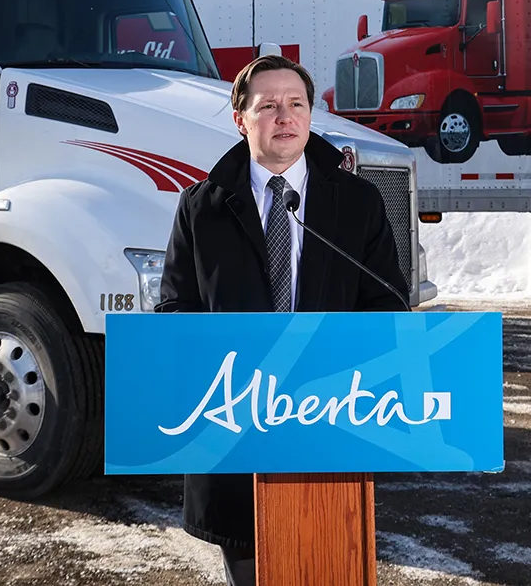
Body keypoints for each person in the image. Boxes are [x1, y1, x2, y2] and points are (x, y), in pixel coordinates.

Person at [154, 54, 409, 586]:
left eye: (296, 104)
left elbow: (388, 304)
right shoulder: (201, 208)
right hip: (234, 430)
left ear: (311, 116)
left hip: (328, 423)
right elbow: (175, 310)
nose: (284, 116)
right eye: (267, 105)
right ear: (240, 118)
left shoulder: (357, 203)